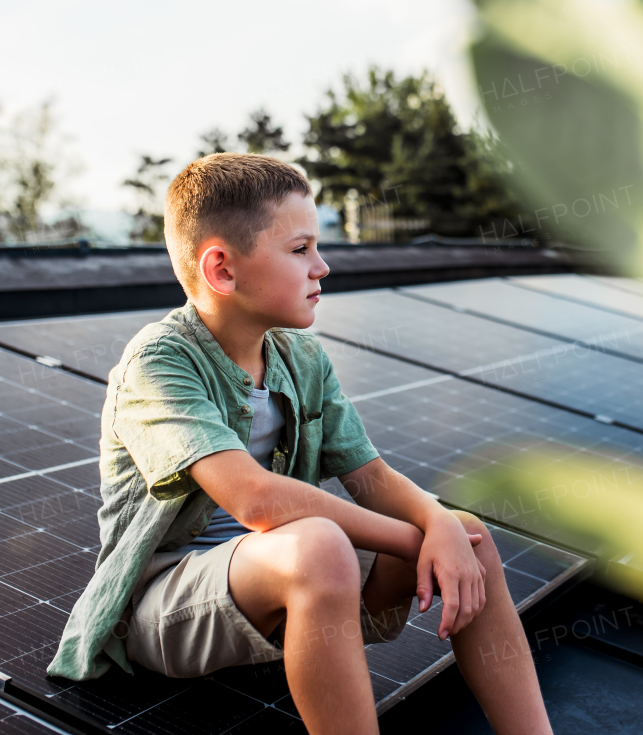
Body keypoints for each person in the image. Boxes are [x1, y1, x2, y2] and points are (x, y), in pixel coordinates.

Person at [48, 153, 552, 735]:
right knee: (321, 545)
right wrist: (418, 540)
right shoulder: (159, 364)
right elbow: (256, 502)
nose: (323, 266)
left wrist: (439, 527)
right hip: (164, 608)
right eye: (300, 249)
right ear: (223, 270)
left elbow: (373, 478)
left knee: (469, 537)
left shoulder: (301, 357)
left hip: (284, 581)